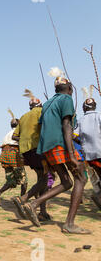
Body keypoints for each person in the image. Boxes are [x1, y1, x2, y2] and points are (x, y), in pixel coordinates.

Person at [23, 67, 89, 234]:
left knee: (67, 182)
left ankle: (33, 204)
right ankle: (69, 224)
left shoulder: (47, 103)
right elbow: (66, 125)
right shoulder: (66, 99)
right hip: (59, 143)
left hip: (46, 146)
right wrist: (72, 153)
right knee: (81, 178)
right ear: (69, 88)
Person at [10, 89, 50, 221]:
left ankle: (42, 211)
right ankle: (23, 199)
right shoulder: (42, 112)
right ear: (40, 105)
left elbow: (15, 136)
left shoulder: (23, 117)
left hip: (27, 152)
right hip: (38, 150)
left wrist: (25, 140)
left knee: (41, 180)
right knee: (44, 179)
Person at [0, 110, 28, 206]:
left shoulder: (7, 134)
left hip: (5, 156)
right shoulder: (17, 133)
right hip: (14, 156)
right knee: (24, 181)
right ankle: (22, 201)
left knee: (11, 180)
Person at [78, 87, 101, 210]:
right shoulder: (99, 116)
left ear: (84, 108)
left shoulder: (80, 120)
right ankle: (98, 196)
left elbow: (75, 136)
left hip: (89, 157)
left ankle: (98, 195)